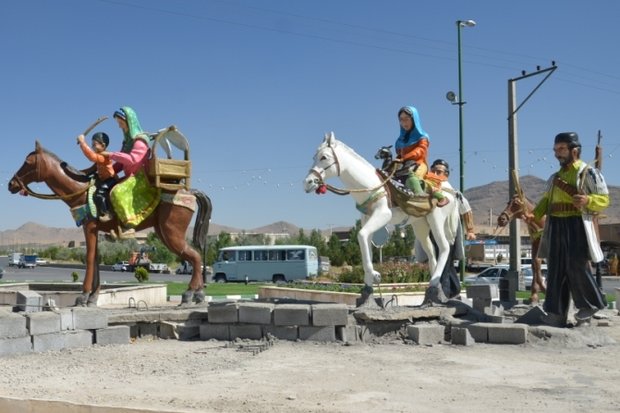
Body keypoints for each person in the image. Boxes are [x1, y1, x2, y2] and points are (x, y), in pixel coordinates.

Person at [527, 132, 609, 326]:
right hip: (555, 224)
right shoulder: (554, 178)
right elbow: (547, 200)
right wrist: (535, 215)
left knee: (576, 265)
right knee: (555, 269)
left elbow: (605, 199)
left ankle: (589, 304)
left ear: (575, 150)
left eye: (561, 149)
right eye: (556, 150)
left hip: (576, 223)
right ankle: (556, 312)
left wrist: (589, 200)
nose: (557, 153)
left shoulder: (588, 172)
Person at [101, 107, 152, 238]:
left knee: (118, 192)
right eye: (118, 123)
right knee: (108, 186)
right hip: (130, 177)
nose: (119, 126)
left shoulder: (140, 140)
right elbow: (121, 163)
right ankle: (115, 227)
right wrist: (109, 170)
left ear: (129, 121)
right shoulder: (127, 142)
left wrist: (111, 154)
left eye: (121, 123)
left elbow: (132, 159)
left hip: (140, 177)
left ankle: (130, 227)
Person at [394, 106, 448, 207]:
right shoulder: (400, 140)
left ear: (414, 119)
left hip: (419, 163)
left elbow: (421, 151)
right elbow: (399, 154)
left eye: (407, 119)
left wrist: (404, 157)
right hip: (404, 164)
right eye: (401, 120)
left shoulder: (422, 136)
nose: (404, 122)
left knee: (412, 177)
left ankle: (433, 196)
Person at [429, 159, 475, 240]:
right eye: (433, 171)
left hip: (449, 234)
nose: (435, 174)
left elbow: (466, 210)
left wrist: (470, 230)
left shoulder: (455, 194)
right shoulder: (426, 190)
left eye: (439, 172)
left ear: (446, 175)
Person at [76, 132, 117, 222]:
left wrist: (83, 142)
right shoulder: (99, 157)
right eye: (92, 145)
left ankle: (107, 213)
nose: (93, 147)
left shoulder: (104, 156)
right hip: (102, 178)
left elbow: (92, 157)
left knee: (100, 193)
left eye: (94, 144)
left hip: (110, 179)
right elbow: (93, 168)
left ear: (103, 145)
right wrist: (80, 172)